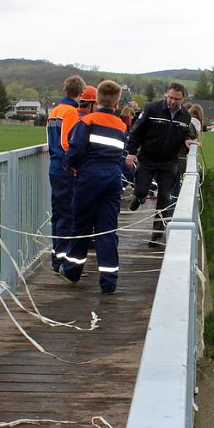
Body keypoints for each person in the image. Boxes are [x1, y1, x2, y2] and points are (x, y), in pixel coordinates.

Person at [58, 80, 127, 294]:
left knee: (81, 227)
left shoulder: (87, 121)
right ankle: (109, 281)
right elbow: (120, 155)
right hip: (113, 179)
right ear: (116, 103)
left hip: (89, 179)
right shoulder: (121, 126)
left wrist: (69, 166)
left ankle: (71, 271)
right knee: (108, 230)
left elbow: (75, 150)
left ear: (97, 101)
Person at [125, 82, 197, 247]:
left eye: (177, 99)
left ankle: (156, 235)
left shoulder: (185, 116)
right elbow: (136, 131)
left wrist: (187, 141)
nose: (172, 102)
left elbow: (185, 132)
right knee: (142, 189)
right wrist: (131, 152)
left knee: (164, 198)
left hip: (169, 162)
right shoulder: (152, 108)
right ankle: (139, 196)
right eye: (170, 97)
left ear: (183, 98)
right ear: (166, 95)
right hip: (148, 158)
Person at [46, 75, 85, 271]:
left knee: (57, 213)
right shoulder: (71, 112)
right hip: (64, 168)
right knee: (67, 214)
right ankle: (62, 258)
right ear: (80, 94)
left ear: (64, 90)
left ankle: (56, 254)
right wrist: (73, 163)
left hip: (53, 165)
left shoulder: (54, 111)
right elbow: (66, 142)